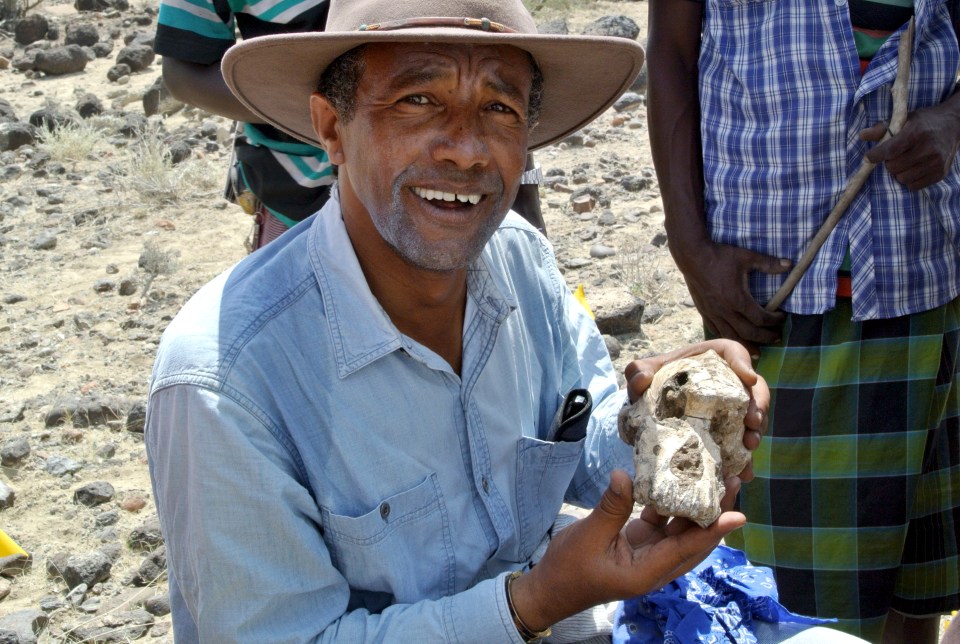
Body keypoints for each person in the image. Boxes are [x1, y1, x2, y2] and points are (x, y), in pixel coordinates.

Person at [144, 0, 772, 640]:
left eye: (499, 109)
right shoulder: (223, 381)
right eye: (417, 101)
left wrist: (670, 414)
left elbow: (589, 455)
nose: (468, 151)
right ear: (332, 127)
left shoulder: (520, 261)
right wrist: (532, 603)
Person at [646, 0, 960, 641]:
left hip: (931, 271)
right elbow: (672, 51)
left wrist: (953, 121)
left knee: (914, 599)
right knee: (794, 609)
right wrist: (689, 244)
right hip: (774, 303)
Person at [153, 0, 547, 251]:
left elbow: (490, 69)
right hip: (293, 192)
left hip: (447, 199)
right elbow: (185, 71)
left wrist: (524, 198)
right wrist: (337, 116)